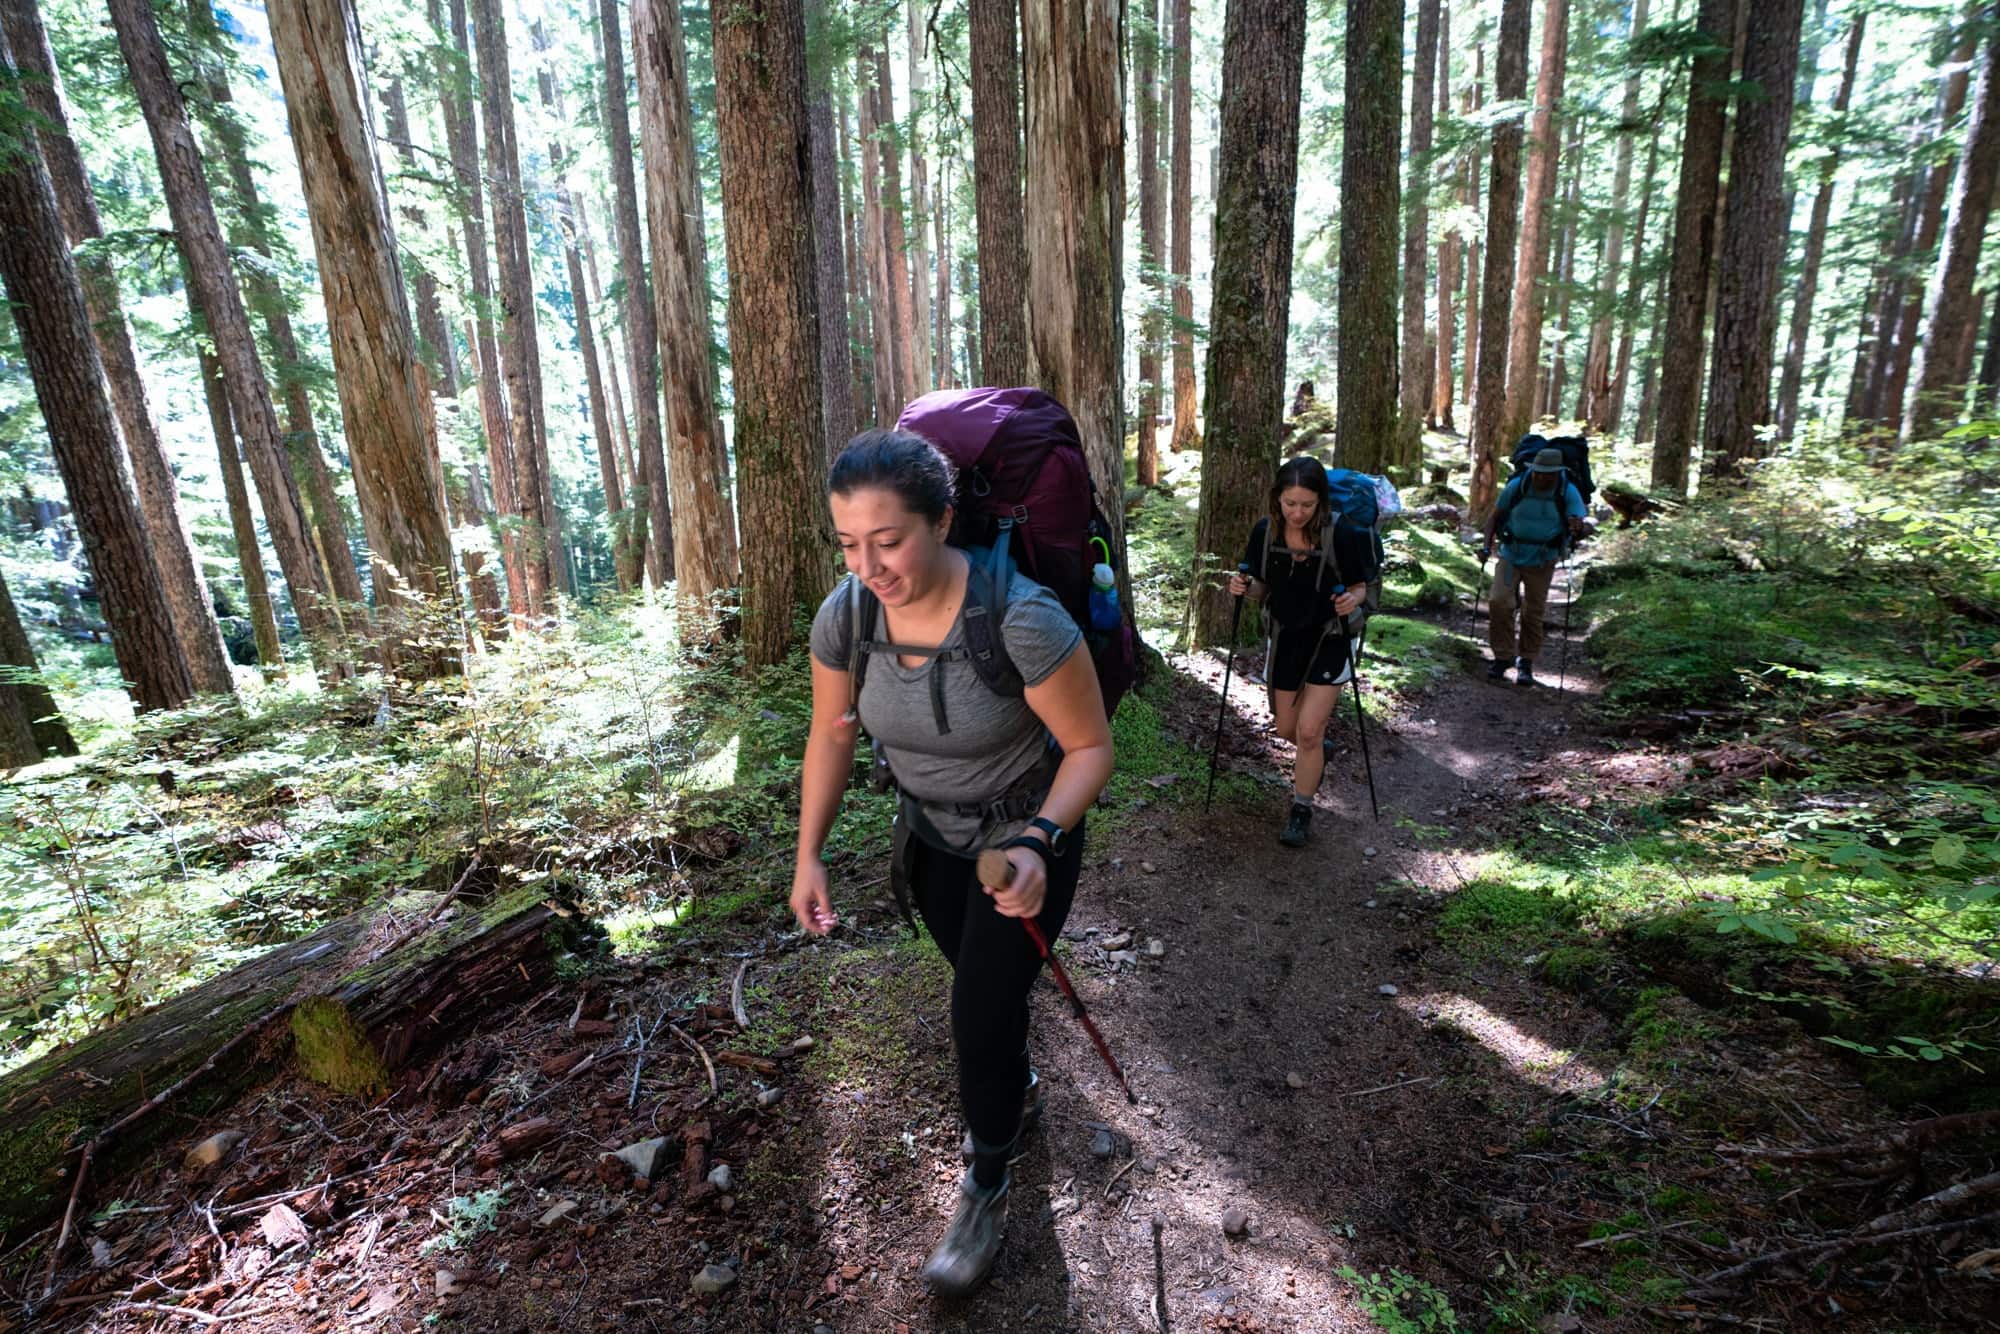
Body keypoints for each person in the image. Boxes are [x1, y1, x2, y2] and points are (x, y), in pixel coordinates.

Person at [792, 431, 1115, 1297]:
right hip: (929, 840)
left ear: (942, 521)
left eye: (888, 541)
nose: (869, 565)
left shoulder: (1019, 617)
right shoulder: (848, 616)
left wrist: (1040, 840)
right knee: (988, 994)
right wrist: (809, 853)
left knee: (976, 1010)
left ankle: (986, 1182)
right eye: (849, 544)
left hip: (1023, 838)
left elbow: (1089, 748)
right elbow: (830, 731)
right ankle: (1016, 1084)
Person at [1225, 456, 1375, 848]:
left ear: (1321, 502)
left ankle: (1301, 809)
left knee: (1308, 731)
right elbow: (1262, 587)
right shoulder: (1264, 533)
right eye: (1290, 503)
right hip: (1288, 635)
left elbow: (1360, 586)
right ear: (1277, 499)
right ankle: (1317, 753)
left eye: (1307, 505)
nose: (1297, 512)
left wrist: (1351, 603)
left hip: (1331, 637)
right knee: (1286, 729)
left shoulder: (1340, 533)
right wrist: (1243, 587)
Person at [1482, 446, 1586, 685]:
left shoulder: (1567, 491)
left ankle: (1526, 661)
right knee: (1499, 601)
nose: (1541, 477)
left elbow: (1581, 523)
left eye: (1547, 473)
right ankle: (1502, 657)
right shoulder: (1517, 486)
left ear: (1557, 473)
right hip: (1510, 554)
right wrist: (1487, 547)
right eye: (1538, 472)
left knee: (1533, 611)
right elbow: (1494, 518)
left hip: (1543, 558)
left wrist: (1578, 526)